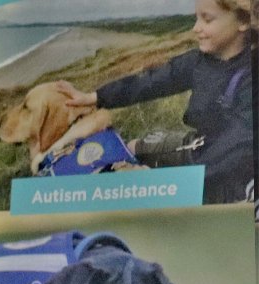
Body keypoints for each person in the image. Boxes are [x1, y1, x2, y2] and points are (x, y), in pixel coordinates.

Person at [62, 0, 254, 204]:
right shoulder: (199, 61)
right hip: (199, 145)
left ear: (243, 21)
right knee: (132, 148)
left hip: (229, 172)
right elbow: (152, 81)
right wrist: (96, 97)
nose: (195, 28)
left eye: (207, 19)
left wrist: (163, 184)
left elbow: (235, 148)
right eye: (196, 18)